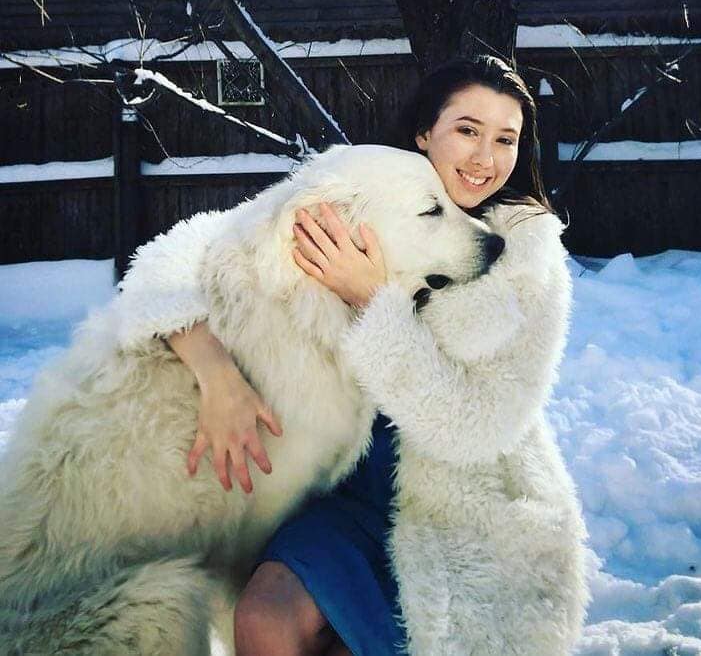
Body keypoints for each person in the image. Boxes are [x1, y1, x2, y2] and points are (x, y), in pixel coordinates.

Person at [168, 54, 553, 656]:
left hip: (467, 508)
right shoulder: (367, 192)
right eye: (467, 130)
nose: (485, 157)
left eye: (505, 139)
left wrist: (374, 303)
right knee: (264, 619)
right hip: (349, 489)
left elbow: (475, 429)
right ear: (424, 132)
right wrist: (214, 371)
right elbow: (186, 258)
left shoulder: (526, 257)